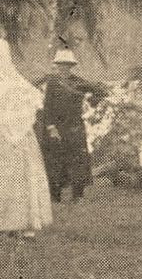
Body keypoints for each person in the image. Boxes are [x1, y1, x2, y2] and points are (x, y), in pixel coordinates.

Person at [0, 36, 52, 239]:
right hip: (23, 135)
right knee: (23, 177)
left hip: (0, 135)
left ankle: (4, 221)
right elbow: (33, 107)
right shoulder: (17, 81)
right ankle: (27, 224)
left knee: (2, 178)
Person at [40, 48, 105, 202]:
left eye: (67, 65)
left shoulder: (79, 82)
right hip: (56, 127)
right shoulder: (52, 83)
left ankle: (78, 195)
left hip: (75, 126)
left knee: (78, 160)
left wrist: (92, 101)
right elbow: (47, 106)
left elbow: (101, 92)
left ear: (71, 66)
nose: (64, 68)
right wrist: (51, 127)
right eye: (61, 65)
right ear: (57, 66)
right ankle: (55, 196)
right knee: (55, 161)